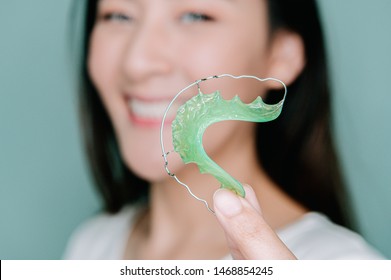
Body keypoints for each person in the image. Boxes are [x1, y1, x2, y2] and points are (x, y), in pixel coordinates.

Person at [64, 0, 383, 259]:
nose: (138, 62)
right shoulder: (92, 245)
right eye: (118, 15)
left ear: (281, 56)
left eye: (196, 15)